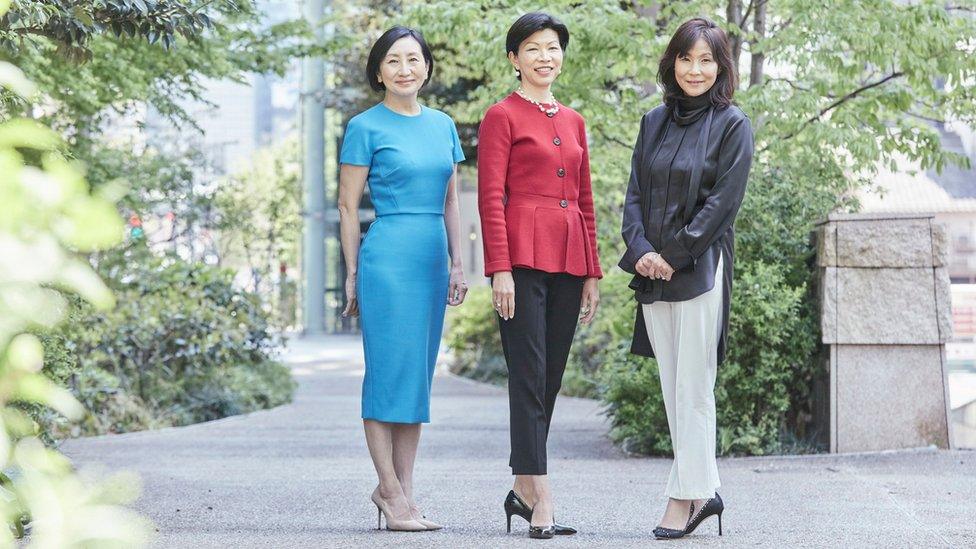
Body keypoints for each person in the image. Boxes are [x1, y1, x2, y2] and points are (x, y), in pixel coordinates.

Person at [618, 16, 753, 541]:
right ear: (671, 63)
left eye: (706, 60)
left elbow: (723, 204)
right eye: (686, 58)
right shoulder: (653, 121)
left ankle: (682, 498)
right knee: (672, 388)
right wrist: (643, 251)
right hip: (652, 271)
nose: (695, 70)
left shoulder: (733, 124)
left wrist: (673, 255)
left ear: (720, 66)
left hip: (700, 270)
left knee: (694, 387)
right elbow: (632, 196)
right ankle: (706, 492)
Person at [477, 11, 602, 540]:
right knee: (528, 376)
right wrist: (499, 269)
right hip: (522, 260)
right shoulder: (500, 116)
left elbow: (587, 199)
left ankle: (521, 488)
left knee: (549, 379)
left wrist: (593, 271)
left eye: (552, 47)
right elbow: (490, 198)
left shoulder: (573, 120)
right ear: (514, 58)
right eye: (532, 48)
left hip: (569, 258)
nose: (544, 57)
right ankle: (541, 497)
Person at [337, 25, 467, 532]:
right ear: (378, 71)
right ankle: (389, 490)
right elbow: (348, 206)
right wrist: (351, 273)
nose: (405, 68)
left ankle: (404, 495)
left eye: (413, 59)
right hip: (387, 257)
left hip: (432, 258)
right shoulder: (364, 126)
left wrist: (459, 262)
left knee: (416, 378)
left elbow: (453, 199)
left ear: (427, 67)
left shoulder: (443, 125)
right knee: (387, 375)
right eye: (393, 60)